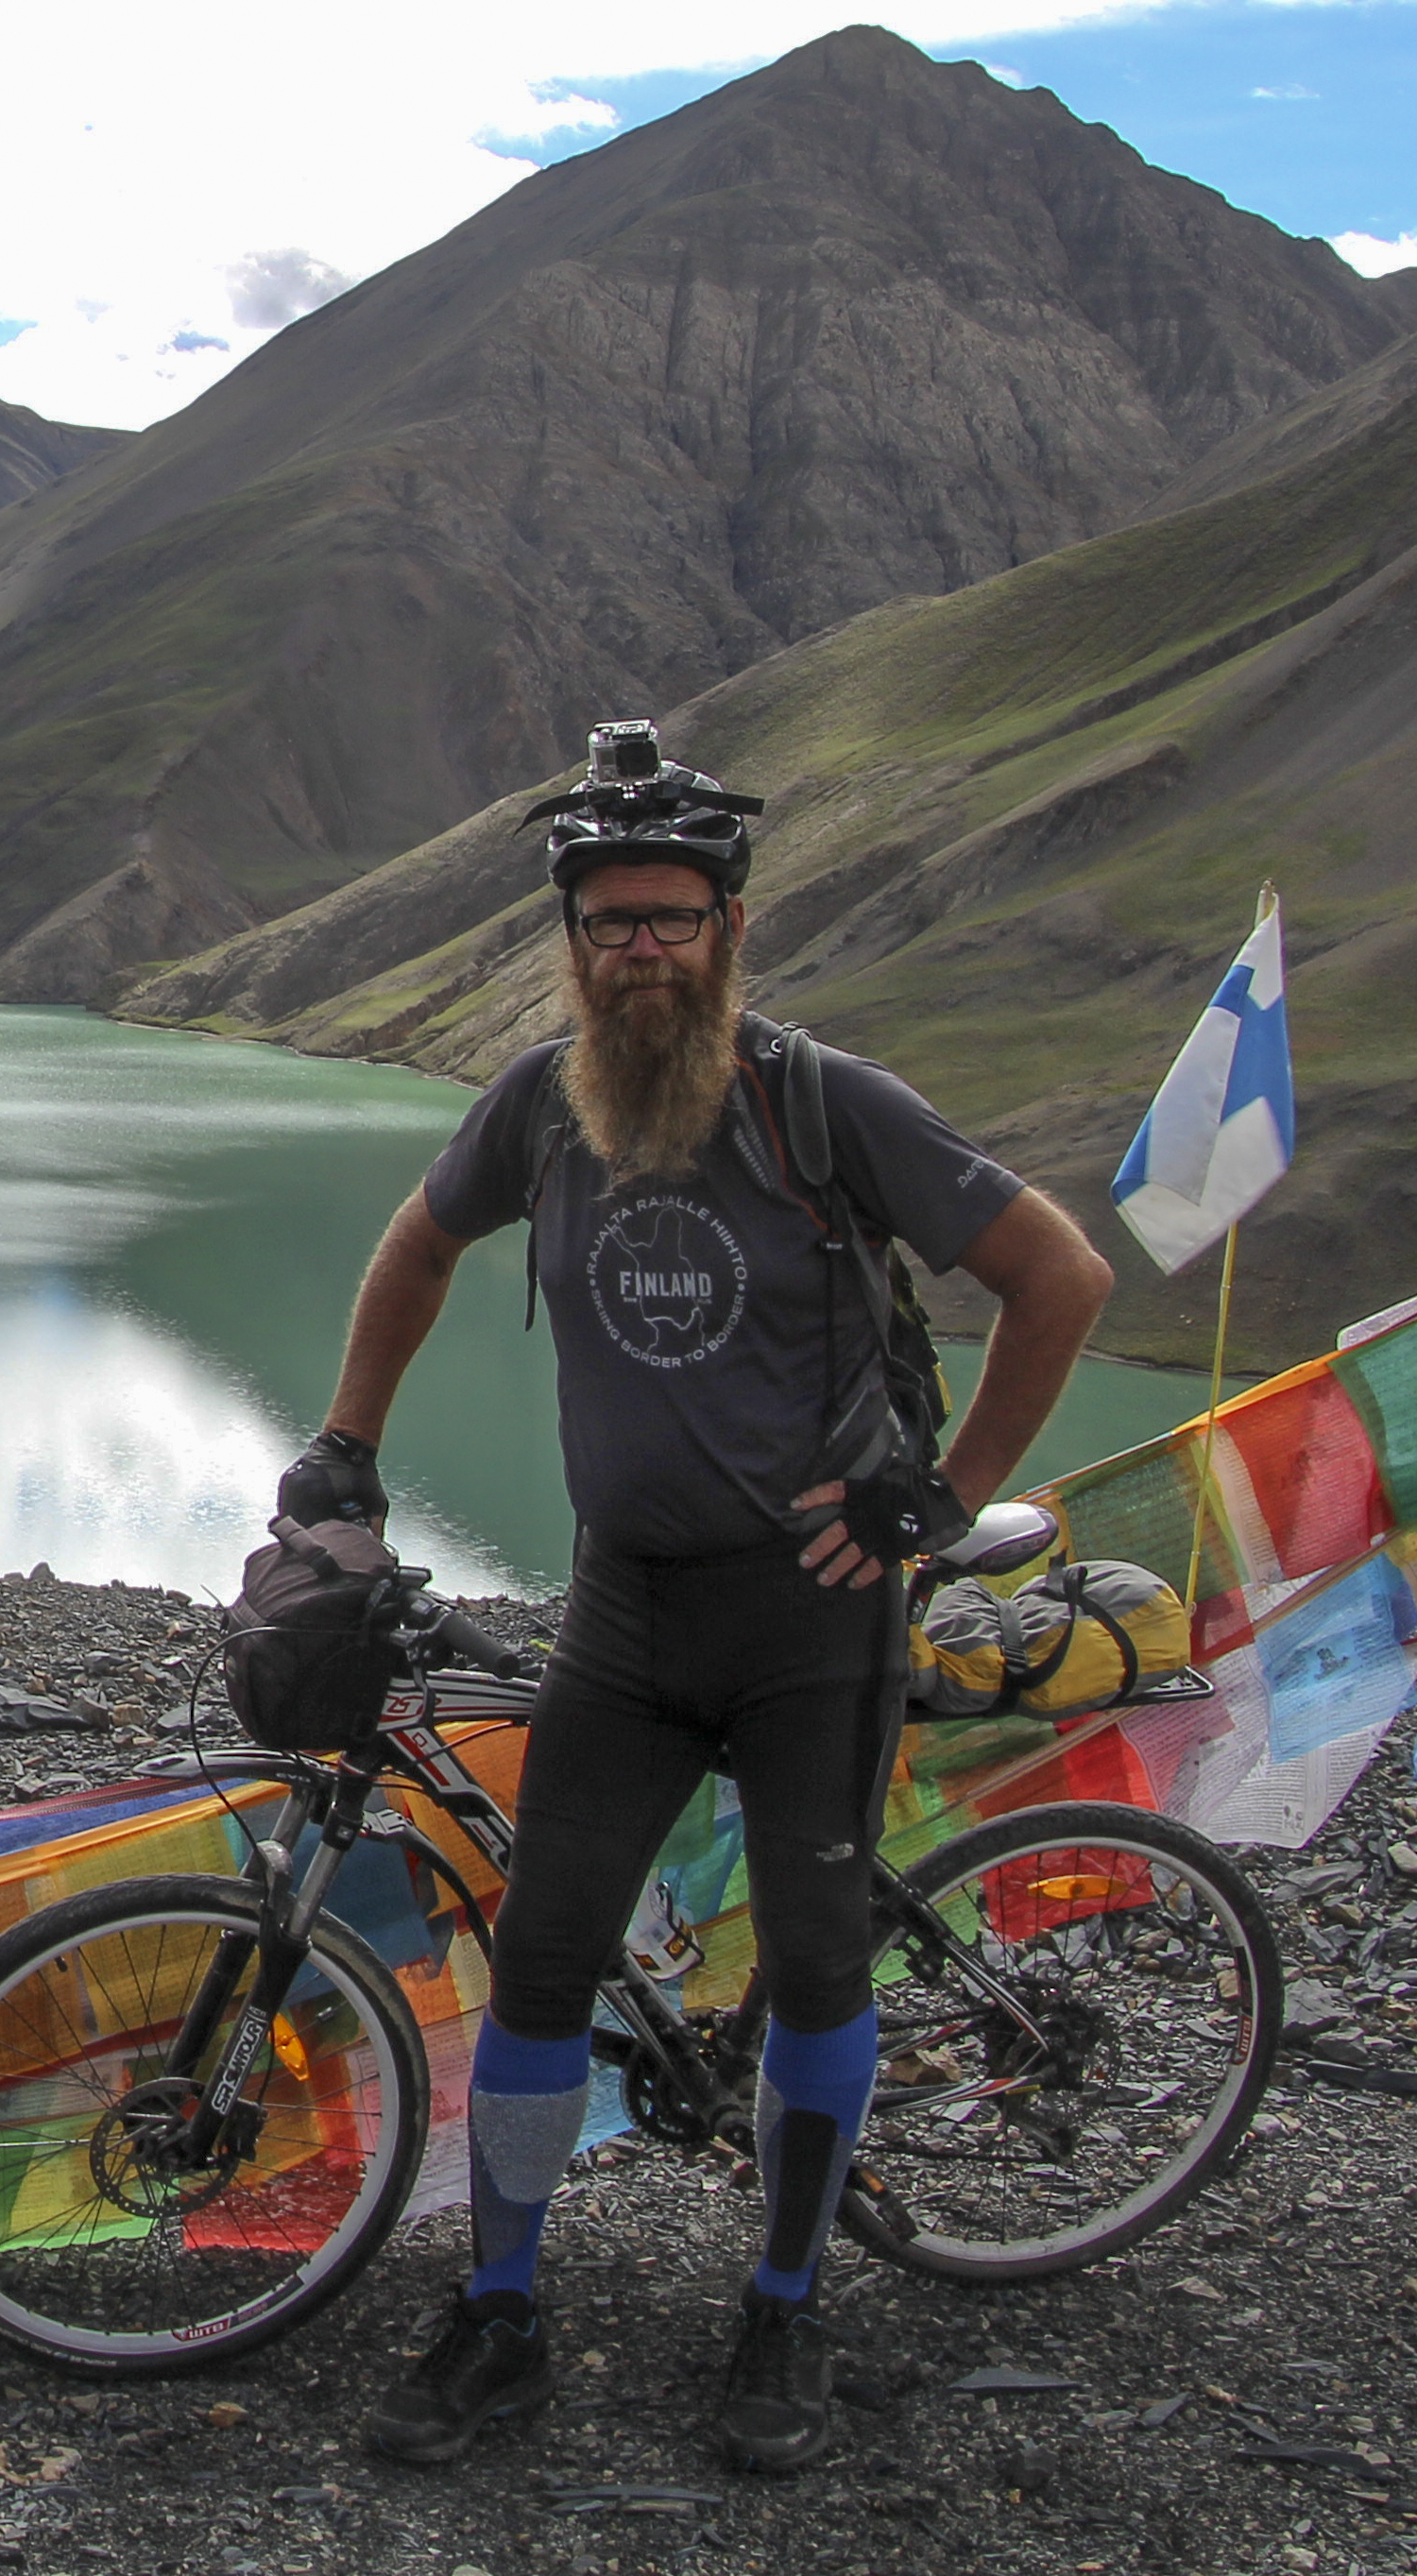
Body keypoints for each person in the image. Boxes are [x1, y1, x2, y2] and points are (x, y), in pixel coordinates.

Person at [288, 720, 1117, 2475]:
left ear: (728, 931)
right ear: (572, 944)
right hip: (626, 1612)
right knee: (540, 1969)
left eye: (672, 918)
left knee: (818, 1971)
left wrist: (940, 1492)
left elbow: (1057, 1273)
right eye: (610, 923)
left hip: (812, 1623)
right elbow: (417, 1247)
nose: (641, 949)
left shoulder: (822, 1105)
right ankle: (499, 2315)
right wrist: (349, 1445)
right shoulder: (540, 1105)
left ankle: (787, 2308)